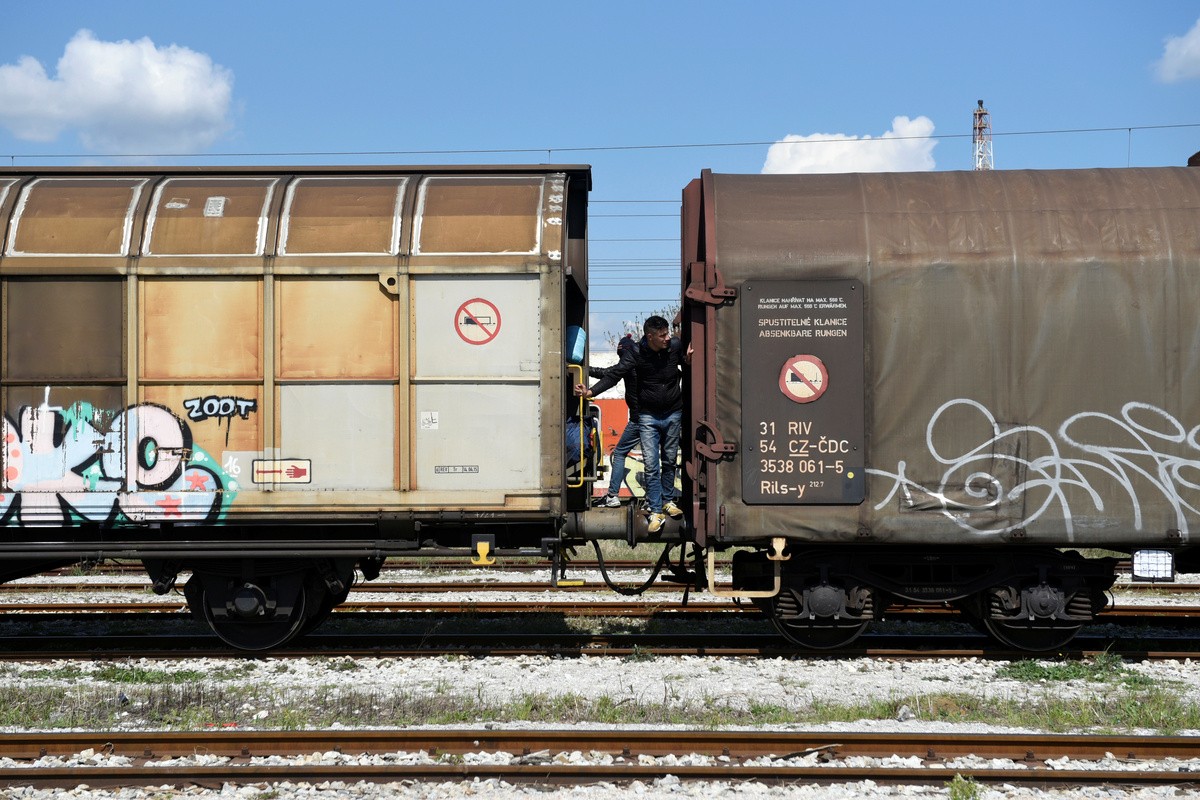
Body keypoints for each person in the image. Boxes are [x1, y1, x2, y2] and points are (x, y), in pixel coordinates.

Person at [575, 315, 689, 534]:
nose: (667, 338)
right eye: (662, 335)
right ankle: (656, 510)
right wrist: (590, 392)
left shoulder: (674, 346)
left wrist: (688, 359)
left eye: (668, 333)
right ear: (650, 337)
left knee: (669, 460)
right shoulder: (635, 353)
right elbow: (614, 375)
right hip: (646, 416)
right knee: (651, 464)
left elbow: (687, 360)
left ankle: (667, 501)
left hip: (673, 412)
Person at [589, 333, 639, 508]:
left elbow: (606, 374)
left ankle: (612, 495)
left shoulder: (627, 365)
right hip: (655, 417)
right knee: (654, 456)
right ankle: (659, 499)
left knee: (619, 454)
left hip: (638, 420)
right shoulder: (646, 362)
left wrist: (585, 369)